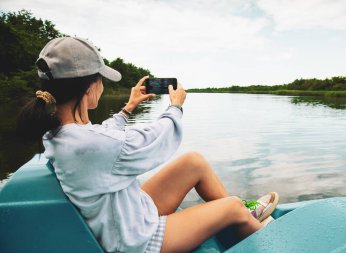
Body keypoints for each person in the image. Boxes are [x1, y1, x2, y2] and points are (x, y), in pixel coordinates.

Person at [17, 37, 279, 253]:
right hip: (135, 242)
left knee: (193, 163)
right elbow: (154, 140)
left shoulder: (62, 133)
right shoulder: (91, 144)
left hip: (125, 218)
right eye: (101, 79)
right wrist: (175, 107)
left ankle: (247, 214)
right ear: (90, 86)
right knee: (231, 206)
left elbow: (103, 136)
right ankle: (261, 228)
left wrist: (128, 108)